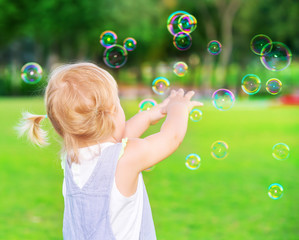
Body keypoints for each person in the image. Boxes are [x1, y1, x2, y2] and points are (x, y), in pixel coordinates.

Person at [16, 62, 203, 240]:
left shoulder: (72, 159)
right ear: (113, 111)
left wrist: (147, 116)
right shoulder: (127, 158)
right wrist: (179, 108)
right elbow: (171, 138)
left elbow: (115, 140)